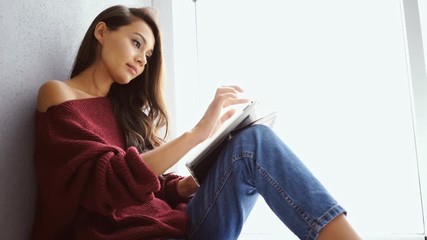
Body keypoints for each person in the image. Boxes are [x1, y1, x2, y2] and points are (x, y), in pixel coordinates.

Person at [32, 5, 361, 240]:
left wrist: (189, 183)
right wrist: (197, 133)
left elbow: (152, 188)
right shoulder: (58, 94)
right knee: (252, 146)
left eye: (147, 56)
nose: (141, 59)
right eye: (136, 43)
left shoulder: (122, 114)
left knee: (251, 142)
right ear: (102, 31)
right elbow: (105, 184)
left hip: (179, 226)